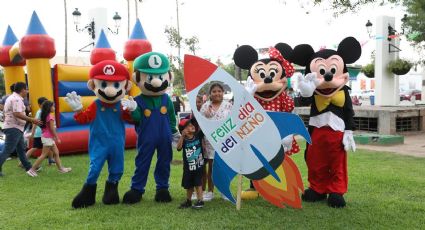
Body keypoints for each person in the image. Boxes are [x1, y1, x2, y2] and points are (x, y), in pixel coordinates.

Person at [0, 82, 41, 177]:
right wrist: (32, 120)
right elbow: (17, 113)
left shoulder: (13, 98)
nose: (27, 91)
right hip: (13, 128)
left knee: (21, 149)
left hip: (15, 127)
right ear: (22, 90)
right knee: (8, 150)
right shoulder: (16, 99)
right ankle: (29, 168)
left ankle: (29, 168)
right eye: (26, 89)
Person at [199, 82, 232, 201]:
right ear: (210, 94)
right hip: (210, 142)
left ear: (223, 92)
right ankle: (210, 192)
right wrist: (201, 140)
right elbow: (201, 125)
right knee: (211, 167)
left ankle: (225, 191)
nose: (217, 93)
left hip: (226, 142)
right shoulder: (205, 106)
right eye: (214, 91)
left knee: (223, 167)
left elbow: (234, 122)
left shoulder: (229, 105)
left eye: (219, 91)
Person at [27, 100, 71, 176]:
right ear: (49, 108)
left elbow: (44, 127)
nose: (54, 107)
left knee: (56, 153)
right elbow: (52, 128)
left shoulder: (45, 116)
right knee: (43, 155)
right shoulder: (50, 116)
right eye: (53, 106)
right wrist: (57, 138)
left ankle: (61, 169)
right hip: (48, 138)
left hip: (46, 137)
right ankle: (32, 170)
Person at [176, 118, 205, 209]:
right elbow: (178, 148)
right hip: (188, 167)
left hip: (198, 166)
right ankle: (188, 201)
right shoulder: (184, 140)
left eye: (192, 124)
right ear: (183, 130)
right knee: (189, 185)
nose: (192, 126)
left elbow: (204, 127)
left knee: (198, 183)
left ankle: (200, 200)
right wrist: (182, 136)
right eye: (188, 125)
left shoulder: (198, 135)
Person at [21, 97, 55, 167]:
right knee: (34, 148)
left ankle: (51, 160)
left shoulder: (44, 112)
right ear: (40, 105)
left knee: (50, 147)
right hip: (40, 134)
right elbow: (35, 123)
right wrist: (33, 134)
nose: (46, 105)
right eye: (44, 104)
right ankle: (23, 162)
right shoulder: (40, 112)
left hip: (43, 134)